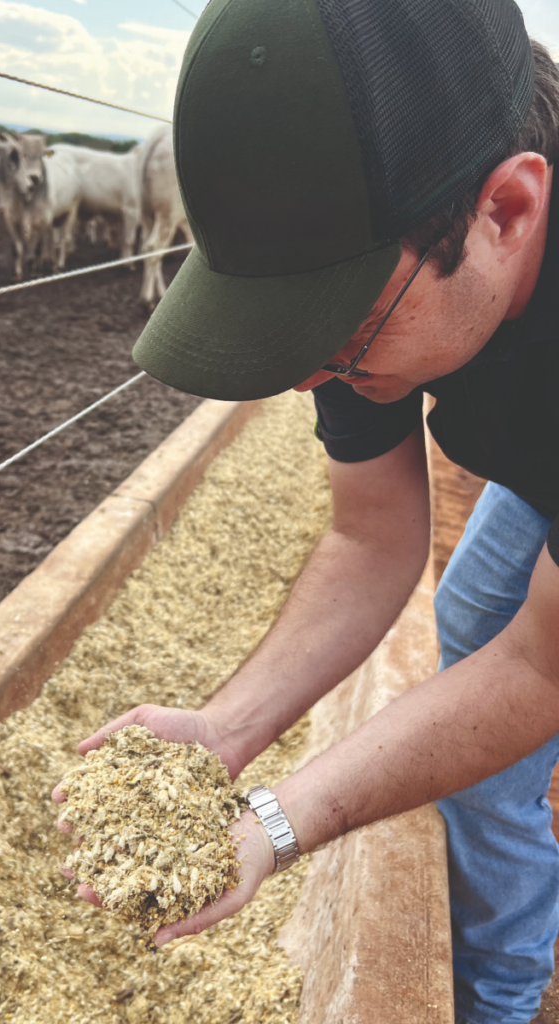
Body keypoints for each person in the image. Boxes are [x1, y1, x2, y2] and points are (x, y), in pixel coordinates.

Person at [53, 1, 559, 1021]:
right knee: (468, 616)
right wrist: (223, 732)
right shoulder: (368, 243)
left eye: (335, 340)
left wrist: (279, 822)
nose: (311, 379)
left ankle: (502, 999)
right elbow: (373, 534)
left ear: (505, 214)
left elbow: (541, 666)